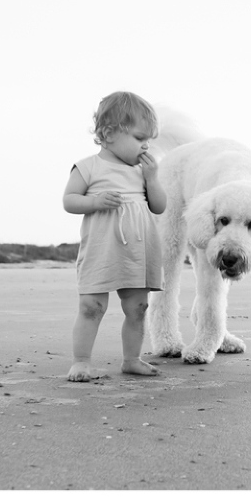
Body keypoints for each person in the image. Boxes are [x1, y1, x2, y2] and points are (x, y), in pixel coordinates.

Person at [63, 91, 166, 380]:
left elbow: (159, 207)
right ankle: (81, 360)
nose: (146, 145)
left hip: (137, 251)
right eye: (139, 137)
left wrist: (153, 179)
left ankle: (131, 358)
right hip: (101, 250)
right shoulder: (88, 167)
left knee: (138, 307)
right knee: (91, 306)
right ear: (108, 134)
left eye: (149, 140)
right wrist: (94, 202)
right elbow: (69, 200)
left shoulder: (142, 172)